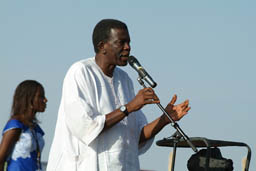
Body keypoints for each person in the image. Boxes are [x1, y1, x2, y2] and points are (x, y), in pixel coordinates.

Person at [46, 19, 190, 171]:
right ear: (102, 46)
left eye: (128, 42)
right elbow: (86, 127)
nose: (128, 48)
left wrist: (164, 119)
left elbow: (137, 137)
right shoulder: (80, 72)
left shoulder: (125, 80)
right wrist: (129, 107)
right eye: (121, 43)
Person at [0, 80, 48, 171]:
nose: (45, 100)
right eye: (41, 96)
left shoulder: (35, 128)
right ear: (29, 99)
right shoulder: (15, 125)